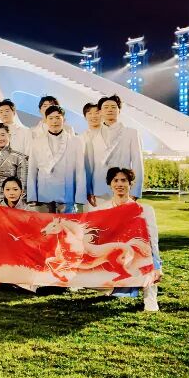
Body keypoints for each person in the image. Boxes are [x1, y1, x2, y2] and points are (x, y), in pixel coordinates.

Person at [95, 166, 161, 311]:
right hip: (112, 256)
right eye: (115, 180)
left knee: (149, 263)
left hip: (137, 255)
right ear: (110, 184)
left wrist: (157, 265)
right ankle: (112, 288)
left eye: (124, 180)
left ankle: (150, 299)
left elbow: (152, 238)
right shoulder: (101, 210)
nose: (120, 184)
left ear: (130, 184)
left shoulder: (144, 210)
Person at [87, 95, 144, 210]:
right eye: (106, 107)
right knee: (99, 221)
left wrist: (135, 191)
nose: (110, 110)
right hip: (98, 190)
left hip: (123, 188)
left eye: (113, 107)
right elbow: (88, 165)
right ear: (100, 112)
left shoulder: (131, 133)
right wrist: (88, 190)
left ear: (119, 111)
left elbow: (137, 162)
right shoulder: (90, 135)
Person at [27, 105, 87, 213]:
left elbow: (80, 171)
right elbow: (32, 170)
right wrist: (32, 197)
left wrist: (80, 199)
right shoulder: (37, 142)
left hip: (67, 195)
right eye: (51, 118)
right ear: (45, 120)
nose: (54, 121)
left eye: (58, 118)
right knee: (45, 223)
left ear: (64, 120)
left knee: (66, 223)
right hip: (43, 194)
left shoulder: (75, 141)